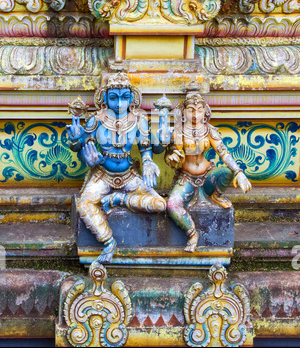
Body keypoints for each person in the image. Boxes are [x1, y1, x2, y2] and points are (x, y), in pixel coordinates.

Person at [66, 72, 166, 263]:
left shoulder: (138, 120)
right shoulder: (95, 121)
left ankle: (118, 199)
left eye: (124, 97)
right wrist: (83, 152)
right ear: (104, 98)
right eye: (113, 98)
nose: (119, 103)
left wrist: (148, 162)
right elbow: (81, 148)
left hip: (129, 176)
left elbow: (146, 148)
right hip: (103, 174)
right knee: (85, 204)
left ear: (132, 98)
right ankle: (108, 241)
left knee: (160, 204)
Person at [159, 86, 252, 253]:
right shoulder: (178, 132)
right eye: (190, 110)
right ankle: (192, 233)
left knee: (228, 171)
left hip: (208, 176)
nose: (195, 115)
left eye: (199, 110)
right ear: (183, 112)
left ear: (205, 112)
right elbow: (172, 157)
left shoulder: (209, 130)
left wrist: (239, 173)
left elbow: (224, 153)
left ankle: (215, 195)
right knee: (172, 205)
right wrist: (173, 159)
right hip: (186, 178)